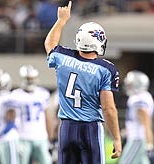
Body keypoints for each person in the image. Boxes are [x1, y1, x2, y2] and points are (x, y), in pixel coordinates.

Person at [44, 1, 122, 164]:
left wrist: (61, 21)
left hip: (66, 128)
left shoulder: (63, 57)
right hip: (90, 129)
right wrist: (116, 137)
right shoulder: (106, 69)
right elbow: (108, 108)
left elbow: (50, 44)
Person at [11, 64, 52, 164]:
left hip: (40, 136)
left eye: (31, 78)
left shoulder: (43, 93)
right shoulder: (16, 95)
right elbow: (12, 119)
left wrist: (50, 137)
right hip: (22, 137)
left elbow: (47, 117)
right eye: (27, 78)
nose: (29, 81)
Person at [119, 70, 154, 164]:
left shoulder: (139, 99)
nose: (128, 86)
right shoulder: (140, 97)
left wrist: (149, 143)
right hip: (137, 138)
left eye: (130, 84)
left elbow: (146, 122)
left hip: (137, 139)